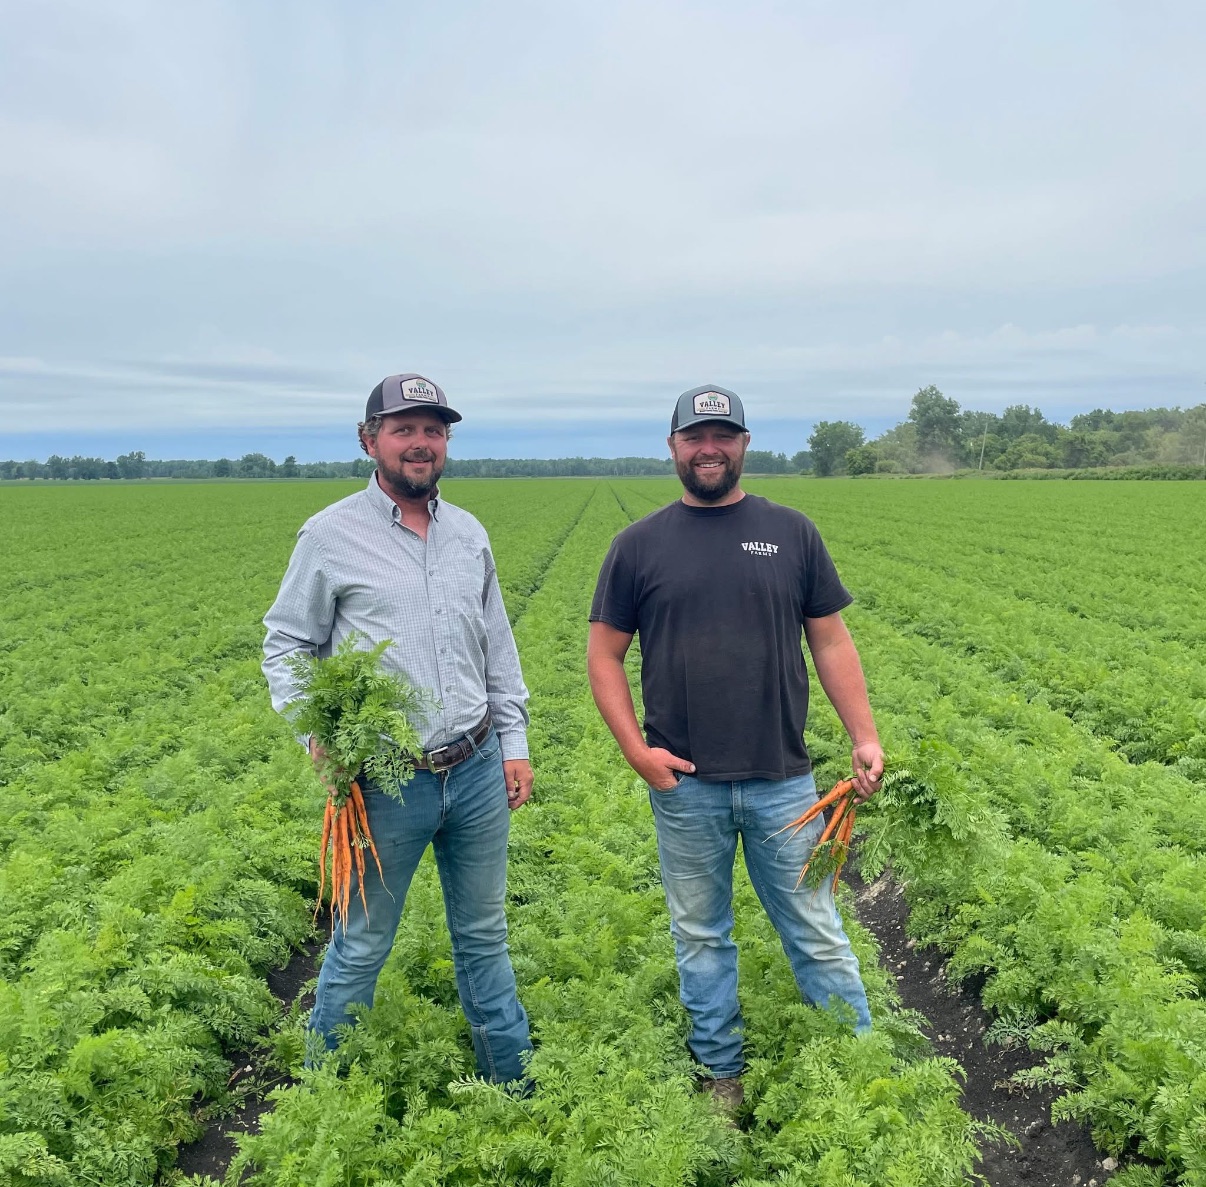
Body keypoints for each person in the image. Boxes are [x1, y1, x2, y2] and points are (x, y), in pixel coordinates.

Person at [586, 385, 883, 1111]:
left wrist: (864, 735)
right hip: (685, 784)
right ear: (673, 446)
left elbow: (831, 640)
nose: (708, 448)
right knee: (701, 935)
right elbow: (603, 655)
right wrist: (635, 750)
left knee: (815, 926)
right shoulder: (638, 546)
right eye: (695, 436)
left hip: (785, 778)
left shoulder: (791, 532)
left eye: (723, 434)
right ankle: (722, 1073)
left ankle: (858, 1067)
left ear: (744, 443)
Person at [262, 373, 533, 1084]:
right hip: (384, 781)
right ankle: (327, 1089)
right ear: (369, 439)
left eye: (434, 429)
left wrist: (516, 744)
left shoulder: (469, 534)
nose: (421, 442)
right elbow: (286, 644)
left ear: (446, 442)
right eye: (404, 427)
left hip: (475, 768)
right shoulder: (328, 535)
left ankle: (513, 1084)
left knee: (484, 937)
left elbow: (497, 648)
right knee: (360, 943)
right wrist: (316, 733)